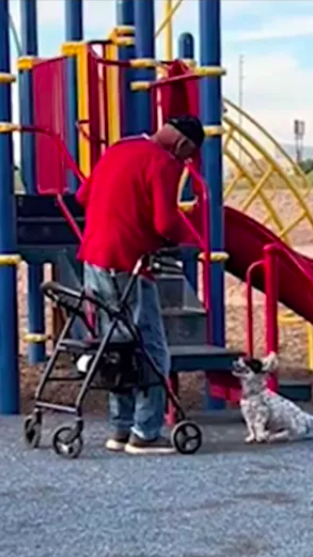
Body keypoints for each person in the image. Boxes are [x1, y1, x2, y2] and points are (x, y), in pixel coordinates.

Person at [75, 115, 205, 455]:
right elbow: (166, 221)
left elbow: (82, 195)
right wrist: (187, 237)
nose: (185, 162)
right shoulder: (163, 162)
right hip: (127, 262)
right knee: (151, 344)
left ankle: (120, 428)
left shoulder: (121, 148)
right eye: (188, 155)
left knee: (115, 344)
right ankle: (146, 432)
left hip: (93, 256)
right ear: (183, 144)